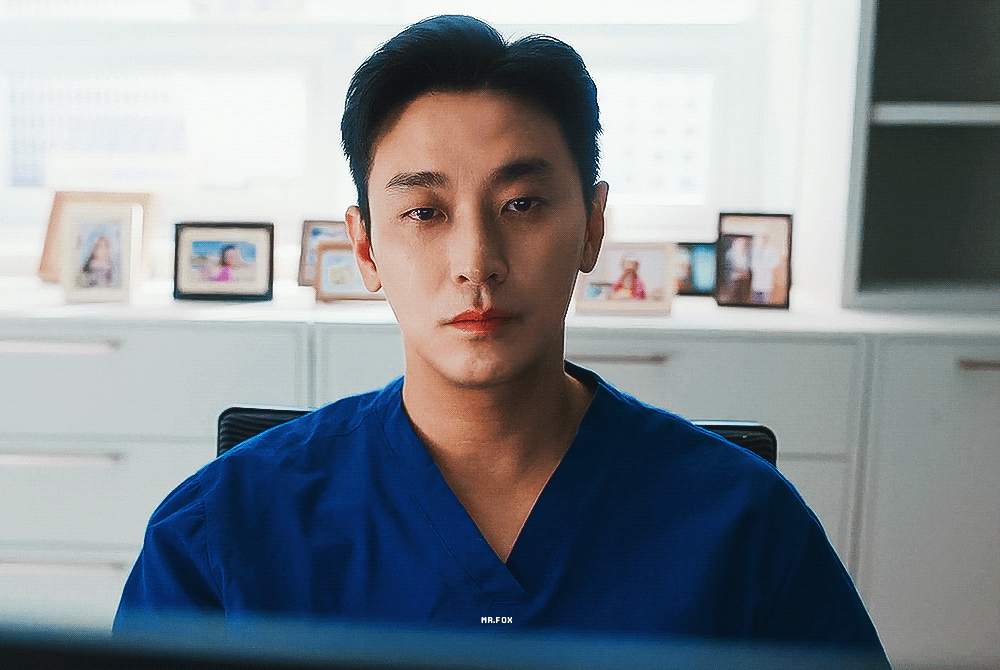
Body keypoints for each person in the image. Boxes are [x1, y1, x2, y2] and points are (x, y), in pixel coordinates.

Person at [115, 15, 886, 658]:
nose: (476, 261)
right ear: (365, 247)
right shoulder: (218, 534)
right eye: (425, 212)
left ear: (592, 226)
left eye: (521, 204)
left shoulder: (748, 528)